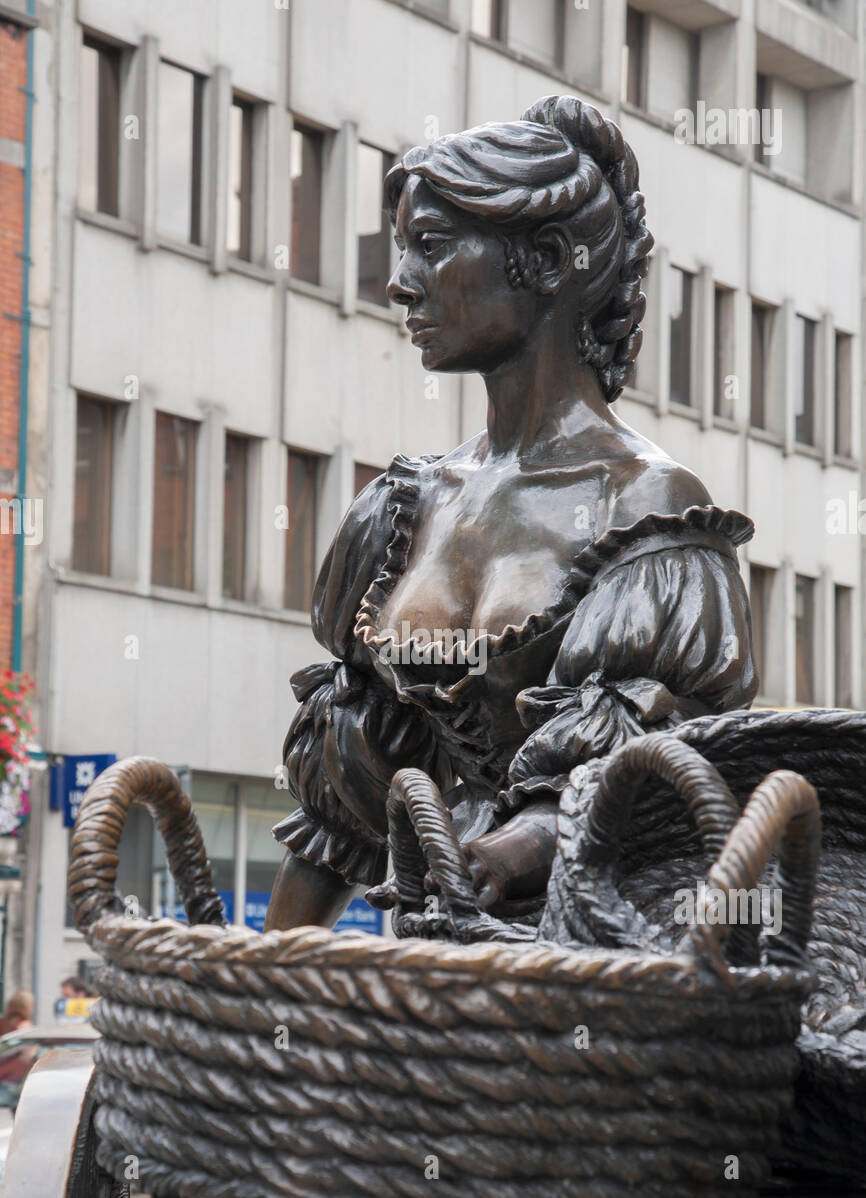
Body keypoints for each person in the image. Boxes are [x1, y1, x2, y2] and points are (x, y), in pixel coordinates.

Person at [264, 96, 757, 933]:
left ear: (552, 260)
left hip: (596, 968)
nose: (399, 281)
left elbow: (650, 777)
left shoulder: (650, 511)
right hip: (438, 964)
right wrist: (250, 993)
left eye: (433, 247)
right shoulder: (400, 511)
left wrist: (505, 852)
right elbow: (339, 822)